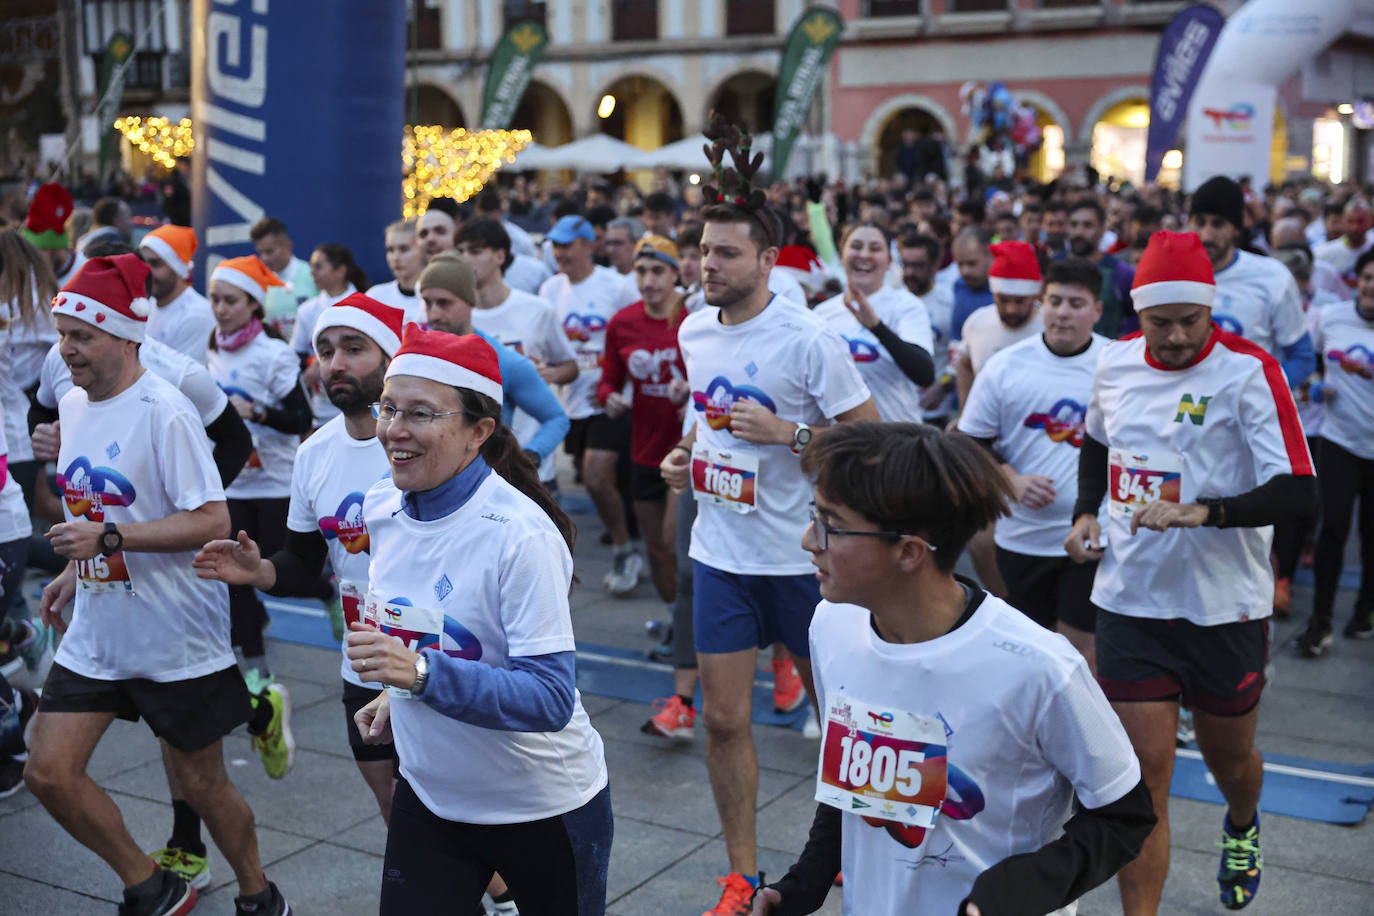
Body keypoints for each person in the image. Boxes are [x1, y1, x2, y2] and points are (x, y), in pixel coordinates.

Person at [753, 422, 1154, 915]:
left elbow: (1126, 814)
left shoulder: (1041, 668)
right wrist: (802, 886)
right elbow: (852, 784)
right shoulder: (832, 625)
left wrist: (1018, 890)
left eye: (830, 525)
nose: (807, 540)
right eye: (814, 516)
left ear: (909, 552)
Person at [24, 253, 291, 916]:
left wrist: (108, 542)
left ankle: (260, 893)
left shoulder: (166, 410)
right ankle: (151, 884)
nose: (67, 351)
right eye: (61, 335)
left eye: (80, 337)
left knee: (203, 785)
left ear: (123, 335)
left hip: (175, 634)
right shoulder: (74, 403)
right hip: (99, 629)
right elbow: (99, 511)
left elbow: (212, 519)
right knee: (48, 771)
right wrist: (72, 569)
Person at [660, 130, 879, 914]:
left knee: (842, 725)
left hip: (803, 562)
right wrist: (685, 454)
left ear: (767, 262)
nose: (707, 266)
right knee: (723, 722)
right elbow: (702, 413)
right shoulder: (693, 329)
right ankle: (742, 873)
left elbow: (871, 438)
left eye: (723, 255)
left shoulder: (809, 339)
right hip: (721, 553)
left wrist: (789, 436)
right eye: (703, 253)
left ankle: (850, 850)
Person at [1066, 231, 1316, 915]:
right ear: (1135, 316)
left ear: (1212, 311)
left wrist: (1203, 513)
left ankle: (1241, 822)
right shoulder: (1114, 365)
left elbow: (1299, 491)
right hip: (1130, 601)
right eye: (1159, 322)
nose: (1175, 338)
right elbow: (1096, 442)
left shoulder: (1248, 370)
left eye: (1190, 321)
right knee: (1144, 779)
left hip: (1223, 608)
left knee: (1230, 761)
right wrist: (1088, 511)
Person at [345, 327, 612, 915]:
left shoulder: (520, 536)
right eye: (389, 408)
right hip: (430, 796)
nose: (394, 429)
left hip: (542, 807)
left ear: (479, 431)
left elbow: (548, 699)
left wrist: (417, 675)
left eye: (420, 413)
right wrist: (398, 696)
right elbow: (435, 634)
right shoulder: (382, 507)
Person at [193, 293, 405, 824]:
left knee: (453, 812)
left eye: (354, 348)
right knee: (394, 806)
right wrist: (260, 570)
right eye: (326, 350)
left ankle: (502, 900)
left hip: (439, 657)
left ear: (391, 358)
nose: (335, 363)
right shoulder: (315, 454)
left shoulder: (419, 442)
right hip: (363, 661)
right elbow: (304, 561)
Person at [957, 258, 1109, 670]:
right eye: (1055, 301)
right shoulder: (1006, 367)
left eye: (1076, 303)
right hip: (1022, 536)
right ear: (1042, 303)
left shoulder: (1117, 365)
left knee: (1080, 653)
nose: (1062, 312)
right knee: (1029, 653)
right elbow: (970, 442)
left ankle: (1077, 734)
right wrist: (1011, 479)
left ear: (1096, 310)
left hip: (1095, 536)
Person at [596, 236, 694, 736]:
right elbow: (607, 378)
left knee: (675, 545)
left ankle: (690, 638)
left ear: (677, 274)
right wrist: (612, 396)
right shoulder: (623, 322)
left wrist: (690, 392)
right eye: (643, 272)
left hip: (686, 451)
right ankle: (681, 619)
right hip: (643, 449)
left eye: (659, 270)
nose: (650, 281)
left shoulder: (694, 320)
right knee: (657, 552)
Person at [208, 255, 313, 719]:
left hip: (274, 481)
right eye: (215, 299)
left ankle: (327, 591)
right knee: (238, 579)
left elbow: (301, 419)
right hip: (232, 484)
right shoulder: (209, 348)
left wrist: (257, 414)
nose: (221, 309)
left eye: (230, 300)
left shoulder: (272, 354)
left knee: (282, 571)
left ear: (253, 305)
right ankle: (256, 668)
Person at [539, 215, 642, 594]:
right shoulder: (549, 289)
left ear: (588, 245)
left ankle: (624, 548)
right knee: (590, 482)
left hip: (609, 399)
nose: (559, 253)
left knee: (597, 476)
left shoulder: (616, 287)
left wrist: (625, 389)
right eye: (555, 245)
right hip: (567, 402)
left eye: (567, 245)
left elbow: (639, 334)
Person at [456, 217, 578, 492]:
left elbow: (570, 366)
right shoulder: (457, 317)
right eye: (460, 252)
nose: (465, 259)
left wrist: (545, 374)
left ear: (500, 255)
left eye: (474, 251)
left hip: (531, 459)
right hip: (474, 465)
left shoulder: (537, 310)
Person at [420, 251, 570, 472]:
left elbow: (556, 418)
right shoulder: (418, 357)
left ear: (470, 302)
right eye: (427, 302)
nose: (434, 314)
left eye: (444, 303)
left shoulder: (503, 360)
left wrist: (528, 459)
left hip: (488, 487)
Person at [1297, 248, 1374, 654]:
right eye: (1366, 278)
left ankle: (1365, 610)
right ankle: (1320, 622)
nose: (1371, 287)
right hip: (1340, 439)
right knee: (1332, 528)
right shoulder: (1331, 318)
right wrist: (1313, 382)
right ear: (1356, 282)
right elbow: (1304, 358)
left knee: (1370, 538)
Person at [1189, 176, 1315, 385]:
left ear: (1236, 228)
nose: (1206, 235)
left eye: (1218, 224)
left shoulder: (1272, 277)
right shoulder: (1172, 276)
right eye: (1200, 222)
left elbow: (1302, 358)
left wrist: (1259, 396)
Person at [814, 223, 934, 422]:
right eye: (856, 246)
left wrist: (877, 327)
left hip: (896, 438)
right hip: (841, 440)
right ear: (842, 256)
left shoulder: (907, 306)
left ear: (889, 261)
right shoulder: (822, 313)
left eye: (875, 248)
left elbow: (924, 374)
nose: (864, 255)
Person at [138, 225, 216, 363]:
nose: (146, 272)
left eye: (155, 264)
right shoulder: (146, 305)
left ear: (177, 268)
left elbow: (183, 378)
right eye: (143, 264)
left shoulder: (198, 315)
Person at [1062, 200, 1136, 337]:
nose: (1079, 232)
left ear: (1102, 229)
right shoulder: (1054, 267)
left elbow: (1135, 321)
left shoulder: (1122, 274)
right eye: (1074, 225)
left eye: (1087, 225)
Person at [251, 216, 318, 340]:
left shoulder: (313, 276)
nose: (264, 258)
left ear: (288, 246)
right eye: (261, 252)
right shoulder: (262, 284)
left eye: (269, 251)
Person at [366, 219, 427, 327]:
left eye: (404, 249)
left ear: (422, 250)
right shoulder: (375, 297)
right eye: (390, 250)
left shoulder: (436, 297)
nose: (396, 257)